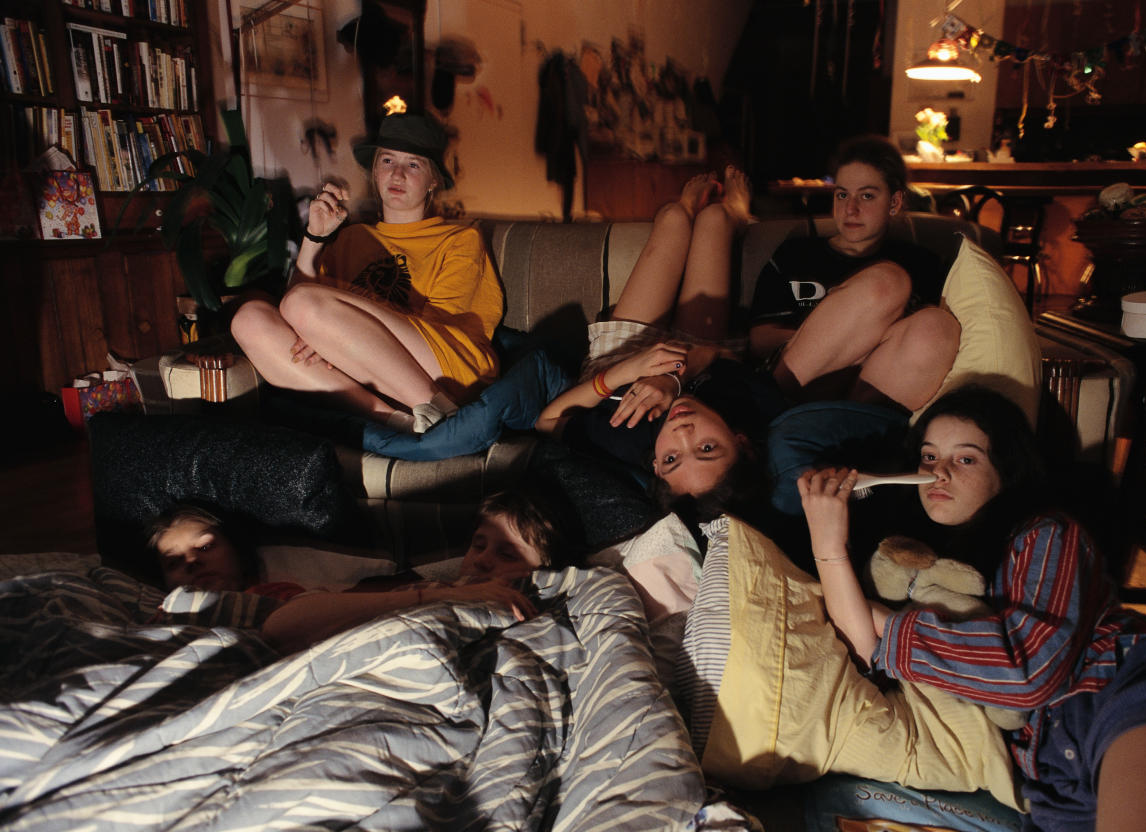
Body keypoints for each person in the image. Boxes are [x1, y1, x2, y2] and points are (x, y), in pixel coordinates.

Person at [798, 385, 1146, 830]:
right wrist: (827, 537)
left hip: (1128, 693)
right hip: (1052, 783)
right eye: (929, 458)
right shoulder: (918, 563)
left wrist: (884, 623)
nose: (939, 474)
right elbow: (865, 647)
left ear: (1006, 471)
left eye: (965, 459)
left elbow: (1026, 673)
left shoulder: (1048, 534)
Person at [534, 168, 782, 525]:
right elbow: (716, 354)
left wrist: (626, 371)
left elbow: (547, 422)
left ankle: (686, 206)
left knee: (673, 217)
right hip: (697, 348)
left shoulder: (631, 439)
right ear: (741, 442)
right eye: (707, 449)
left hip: (624, 353)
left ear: (654, 464)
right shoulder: (758, 409)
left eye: (671, 459)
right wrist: (674, 379)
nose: (682, 436)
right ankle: (736, 214)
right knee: (714, 220)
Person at [230, 111, 504, 434]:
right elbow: (299, 310)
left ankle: (442, 417)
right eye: (387, 161)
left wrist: (336, 338)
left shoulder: (460, 240)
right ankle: (390, 419)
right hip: (373, 377)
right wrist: (314, 238)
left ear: (433, 180)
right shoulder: (351, 238)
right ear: (375, 171)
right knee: (248, 320)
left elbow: (437, 330)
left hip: (448, 368)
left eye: (413, 164)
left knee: (300, 304)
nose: (397, 174)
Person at [148, 489, 574, 654]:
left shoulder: (278, 591)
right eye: (478, 545)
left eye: (204, 547)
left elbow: (286, 625)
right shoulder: (428, 587)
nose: (192, 563)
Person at [750, 134, 959, 413]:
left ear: (895, 203)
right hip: (791, 385)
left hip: (876, 385)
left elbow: (922, 350)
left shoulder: (924, 263)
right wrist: (843, 335)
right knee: (887, 284)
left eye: (867, 195)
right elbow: (759, 339)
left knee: (938, 325)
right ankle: (770, 420)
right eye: (842, 194)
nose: (850, 208)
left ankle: (847, 437)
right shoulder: (795, 254)